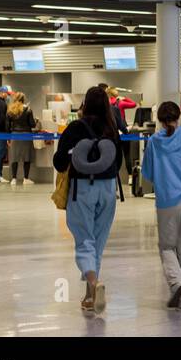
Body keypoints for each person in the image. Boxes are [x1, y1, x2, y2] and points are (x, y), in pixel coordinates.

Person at [54, 86, 123, 313]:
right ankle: (90, 295)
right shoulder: (112, 129)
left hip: (81, 188)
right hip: (108, 189)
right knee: (98, 242)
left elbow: (59, 161)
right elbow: (119, 163)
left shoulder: (75, 128)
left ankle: (93, 283)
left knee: (85, 241)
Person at [141, 100, 181, 309]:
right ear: (178, 116)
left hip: (168, 201)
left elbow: (147, 173)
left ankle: (177, 283)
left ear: (159, 120)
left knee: (166, 246)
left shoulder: (155, 141)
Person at [6, 92, 38, 185]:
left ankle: (14, 179)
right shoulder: (28, 109)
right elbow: (32, 124)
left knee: (14, 157)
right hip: (26, 135)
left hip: (14, 135)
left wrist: (8, 138)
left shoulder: (11, 109)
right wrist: (36, 120)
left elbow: (7, 125)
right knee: (26, 157)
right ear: (23, 99)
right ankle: (26, 178)